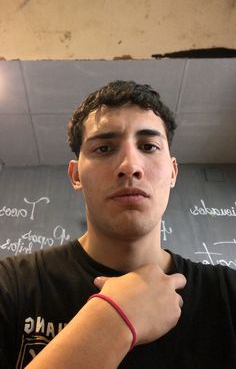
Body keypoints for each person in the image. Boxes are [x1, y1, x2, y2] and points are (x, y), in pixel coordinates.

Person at [0, 80, 236, 369]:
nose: (130, 166)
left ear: (173, 172)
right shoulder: (11, 286)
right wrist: (112, 320)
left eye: (148, 146)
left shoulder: (228, 293)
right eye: (104, 148)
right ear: (75, 176)